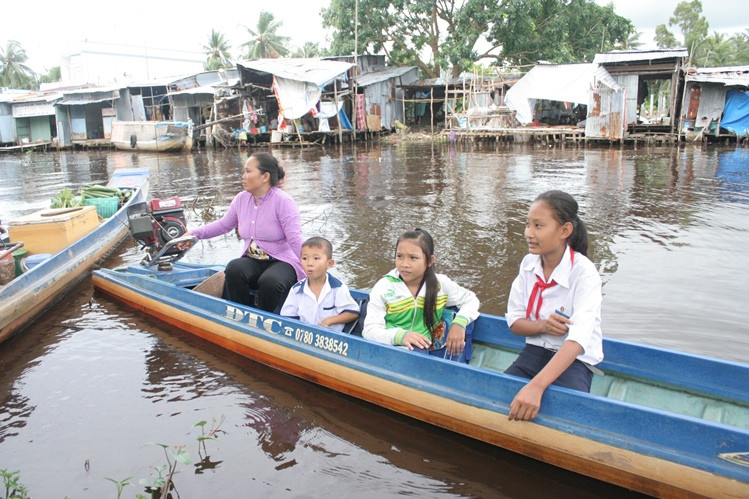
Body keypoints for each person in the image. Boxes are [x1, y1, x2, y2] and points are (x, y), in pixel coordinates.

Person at [504, 190, 603, 421]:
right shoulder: (529, 265)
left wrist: (536, 386)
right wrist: (543, 327)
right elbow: (515, 323)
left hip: (574, 361)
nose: (529, 233)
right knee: (500, 398)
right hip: (535, 352)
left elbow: (578, 341)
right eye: (528, 225)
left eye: (538, 226)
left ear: (565, 230)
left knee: (571, 415)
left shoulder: (584, 273)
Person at [183, 152, 304, 312]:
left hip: (283, 262)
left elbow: (295, 239)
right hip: (254, 260)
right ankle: (239, 313)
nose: (243, 176)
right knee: (234, 268)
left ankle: (266, 317)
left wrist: (313, 270)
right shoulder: (241, 199)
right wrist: (194, 234)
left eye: (248, 171)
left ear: (265, 176)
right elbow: (224, 225)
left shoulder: (283, 201)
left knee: (270, 281)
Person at [363, 228, 480, 362]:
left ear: (430, 261)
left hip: (423, 348)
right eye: (399, 256)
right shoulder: (384, 286)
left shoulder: (440, 284)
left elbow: (471, 300)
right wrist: (401, 336)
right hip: (389, 348)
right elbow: (370, 331)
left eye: (413, 258)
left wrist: (459, 323)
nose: (404, 264)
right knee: (415, 353)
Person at [280, 237, 360, 331]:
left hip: (331, 339)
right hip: (303, 337)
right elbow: (288, 317)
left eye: (316, 258)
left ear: (329, 264)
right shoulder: (296, 290)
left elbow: (353, 312)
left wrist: (329, 321)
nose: (309, 263)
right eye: (305, 258)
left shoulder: (338, 288)